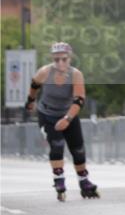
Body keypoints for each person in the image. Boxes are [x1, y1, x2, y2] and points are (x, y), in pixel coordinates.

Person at [24, 42, 100, 201]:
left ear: (69, 58)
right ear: (53, 58)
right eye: (57, 59)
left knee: (78, 149)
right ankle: (59, 180)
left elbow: (79, 100)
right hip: (47, 115)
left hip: (68, 114)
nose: (60, 63)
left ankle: (84, 181)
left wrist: (67, 119)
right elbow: (34, 85)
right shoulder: (45, 72)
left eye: (64, 59)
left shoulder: (76, 75)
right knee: (57, 145)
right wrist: (30, 101)